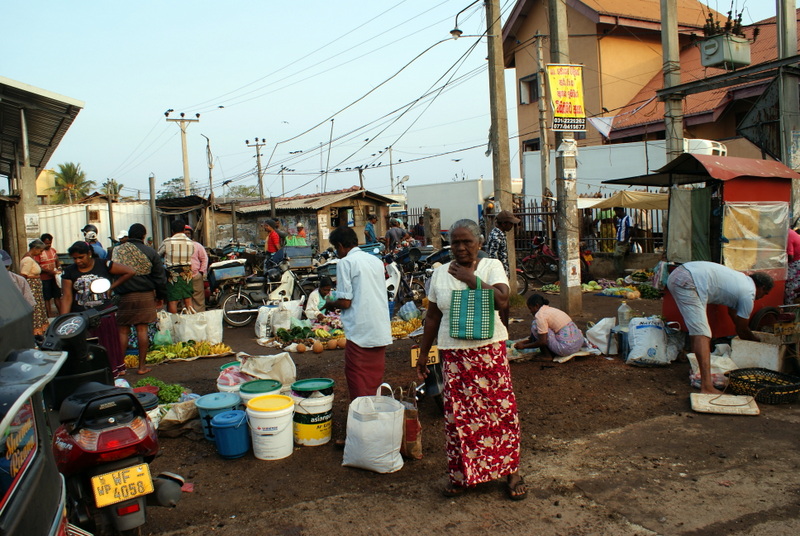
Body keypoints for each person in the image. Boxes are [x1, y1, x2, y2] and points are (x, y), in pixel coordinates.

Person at [415, 219, 526, 501]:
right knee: (459, 419)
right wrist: (423, 356)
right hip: (454, 356)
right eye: (456, 242)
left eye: (467, 242)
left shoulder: (491, 267)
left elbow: (502, 300)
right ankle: (462, 475)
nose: (461, 247)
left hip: (489, 353)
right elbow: (432, 317)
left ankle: (511, 471)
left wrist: (470, 279)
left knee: (500, 413)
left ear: (479, 243)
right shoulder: (439, 274)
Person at [666, 261, 774, 394]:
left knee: (697, 330)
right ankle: (706, 386)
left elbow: (733, 314)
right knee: (703, 333)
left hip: (681, 274)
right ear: (761, 287)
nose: (762, 297)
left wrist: (745, 333)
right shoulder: (748, 294)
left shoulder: (741, 280)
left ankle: (696, 371)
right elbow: (742, 329)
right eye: (765, 293)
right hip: (689, 281)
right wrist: (755, 341)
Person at [324, 227, 392, 401]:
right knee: (374, 379)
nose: (337, 253)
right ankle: (374, 412)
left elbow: (345, 302)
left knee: (358, 378)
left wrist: (330, 304)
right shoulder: (375, 260)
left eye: (336, 249)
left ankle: (363, 418)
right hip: (379, 327)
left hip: (360, 330)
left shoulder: (345, 263)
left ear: (340, 245)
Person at [61, 240, 135, 378]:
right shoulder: (69, 272)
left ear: (89, 254)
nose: (77, 261)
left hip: (103, 313)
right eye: (75, 258)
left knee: (106, 343)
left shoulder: (104, 264)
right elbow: (67, 297)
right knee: (87, 346)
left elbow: (129, 271)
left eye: (80, 257)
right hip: (81, 316)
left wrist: (112, 287)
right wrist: (63, 320)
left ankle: (111, 372)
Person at [112, 223, 168, 375]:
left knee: (123, 331)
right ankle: (141, 367)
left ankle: (120, 368)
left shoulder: (117, 250)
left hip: (124, 295)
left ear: (129, 235)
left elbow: (110, 271)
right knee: (142, 329)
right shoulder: (150, 252)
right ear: (144, 236)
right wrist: (161, 296)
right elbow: (160, 278)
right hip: (145, 295)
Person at [514, 294, 583, 357]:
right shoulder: (550, 310)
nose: (530, 311)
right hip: (578, 344)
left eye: (530, 308)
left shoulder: (540, 315)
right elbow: (533, 338)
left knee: (536, 326)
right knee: (542, 329)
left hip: (566, 349)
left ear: (537, 306)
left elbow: (542, 342)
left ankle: (546, 355)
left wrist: (524, 346)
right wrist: (523, 343)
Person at [158, 219, 195, 313]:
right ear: (183, 230)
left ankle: (174, 324)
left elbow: (158, 255)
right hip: (187, 273)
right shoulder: (190, 242)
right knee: (188, 298)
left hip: (172, 273)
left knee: (173, 300)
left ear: (172, 231)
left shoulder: (167, 242)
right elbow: (192, 253)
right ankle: (191, 322)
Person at [19, 239, 49, 335]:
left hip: (36, 288)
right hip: (32, 288)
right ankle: (35, 331)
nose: (41, 253)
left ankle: (39, 330)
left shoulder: (31, 258)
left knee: (38, 308)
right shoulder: (27, 260)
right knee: (35, 309)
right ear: (35, 249)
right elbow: (23, 275)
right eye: (40, 251)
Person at [485, 210, 520, 277]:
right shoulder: (496, 236)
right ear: (504, 224)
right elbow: (493, 258)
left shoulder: (500, 234)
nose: (512, 226)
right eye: (511, 223)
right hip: (498, 275)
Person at [35, 233, 62, 317]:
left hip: (54, 277)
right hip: (44, 278)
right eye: (46, 243)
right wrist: (48, 271)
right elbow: (38, 266)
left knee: (57, 296)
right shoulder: (39, 253)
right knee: (47, 298)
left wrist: (59, 268)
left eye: (50, 243)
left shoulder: (53, 250)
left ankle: (61, 314)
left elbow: (56, 260)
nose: (48, 245)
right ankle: (49, 315)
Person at [184, 225, 209, 312]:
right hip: (183, 277)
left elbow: (204, 259)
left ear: (191, 235)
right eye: (185, 233)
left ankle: (200, 321)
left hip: (195, 275)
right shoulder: (178, 246)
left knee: (199, 300)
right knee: (186, 300)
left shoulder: (197, 245)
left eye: (188, 233)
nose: (187, 235)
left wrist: (201, 272)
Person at [613, 207, 632, 274]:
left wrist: (625, 241)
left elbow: (630, 230)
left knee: (617, 255)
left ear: (620, 211)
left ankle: (620, 273)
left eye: (616, 212)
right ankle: (619, 272)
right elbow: (617, 229)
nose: (616, 214)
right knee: (617, 257)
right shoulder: (619, 220)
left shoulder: (627, 218)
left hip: (624, 241)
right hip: (619, 240)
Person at [785, 228, 800, 304]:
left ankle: (790, 308)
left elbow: (790, 256)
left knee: (791, 289)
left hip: (795, 264)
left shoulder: (788, 235)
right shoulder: (791, 232)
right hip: (796, 263)